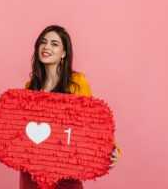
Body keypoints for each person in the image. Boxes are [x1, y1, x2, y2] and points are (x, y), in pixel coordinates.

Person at [20, 25, 122, 189]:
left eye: (54, 44)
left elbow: (93, 121)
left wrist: (112, 149)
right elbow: (21, 130)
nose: (47, 47)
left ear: (64, 53)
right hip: (32, 171)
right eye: (43, 42)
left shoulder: (76, 83)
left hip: (66, 170)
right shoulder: (29, 87)